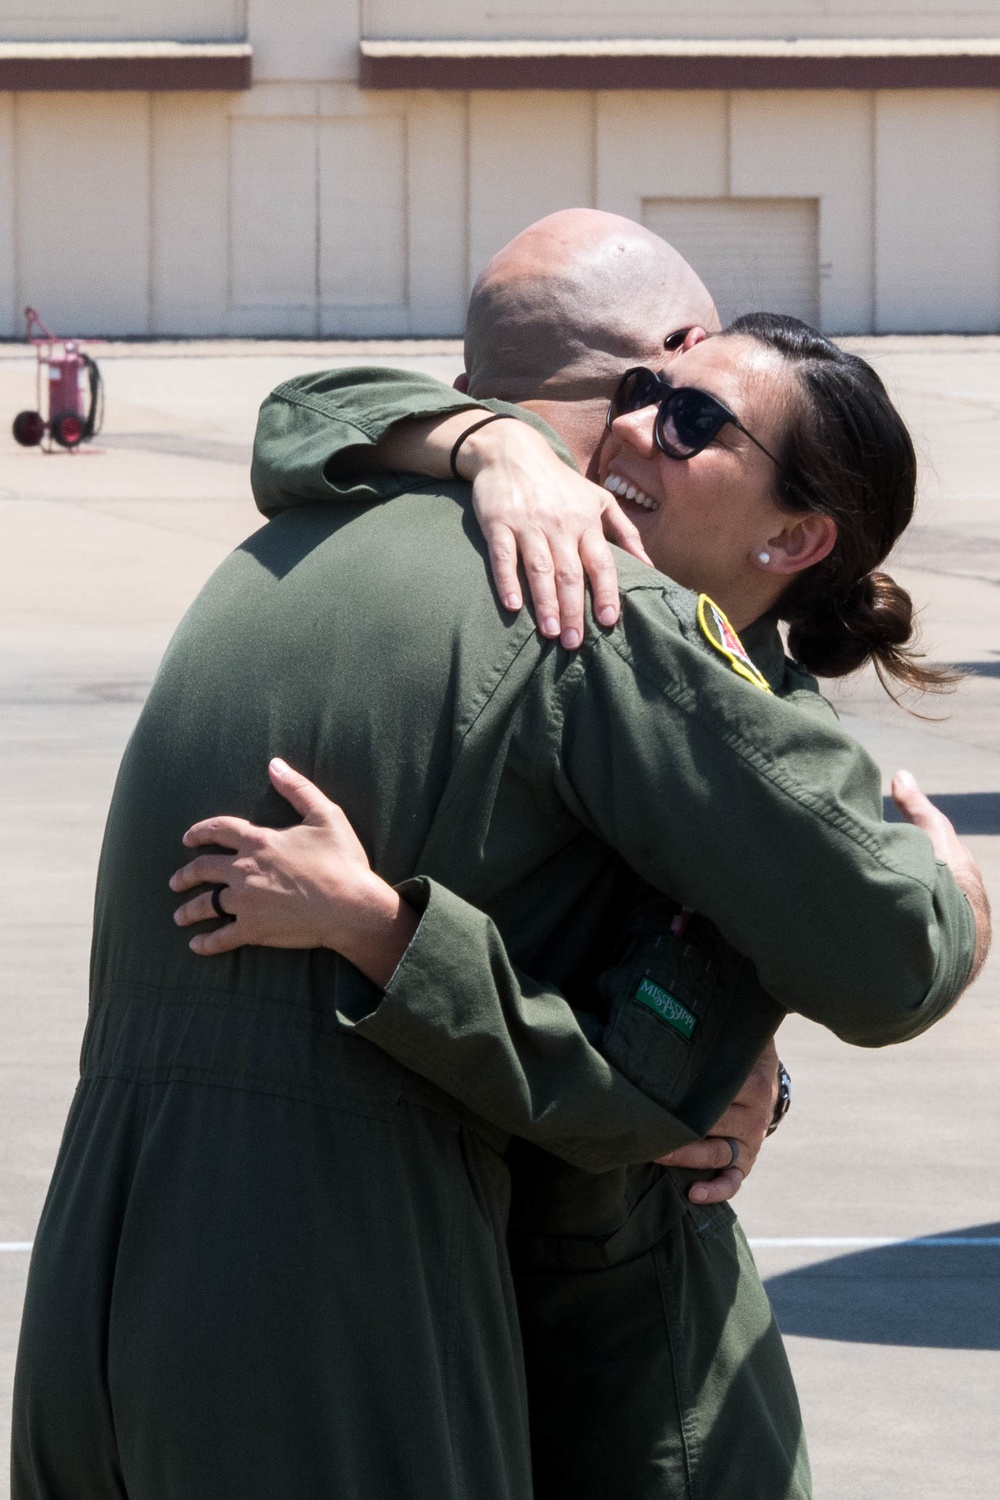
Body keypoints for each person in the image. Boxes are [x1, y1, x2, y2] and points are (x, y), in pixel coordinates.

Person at [12, 215, 986, 1500]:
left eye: (694, 420)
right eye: (650, 393)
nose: (646, 429)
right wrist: (957, 898)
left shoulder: (311, 529)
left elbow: (306, 412)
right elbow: (879, 958)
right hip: (352, 1319)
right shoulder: (589, 603)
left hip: (98, 1284)